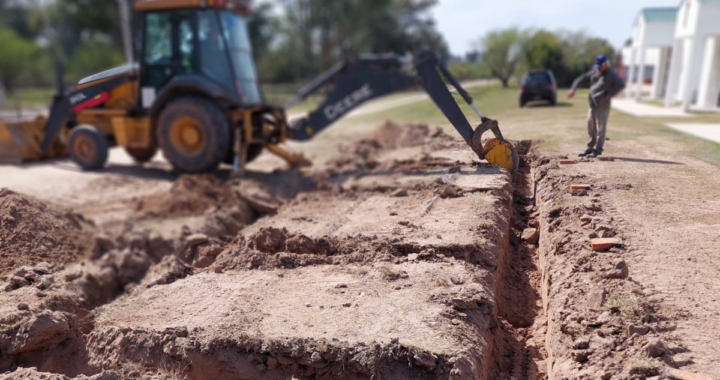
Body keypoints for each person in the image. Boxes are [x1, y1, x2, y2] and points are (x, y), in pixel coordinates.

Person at [567, 55, 625, 158]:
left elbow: (620, 85)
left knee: (600, 128)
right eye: (597, 66)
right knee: (590, 126)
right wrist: (573, 89)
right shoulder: (595, 72)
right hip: (592, 104)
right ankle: (590, 148)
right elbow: (581, 79)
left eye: (600, 66)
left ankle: (597, 150)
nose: (598, 68)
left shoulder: (611, 75)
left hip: (602, 104)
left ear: (606, 64)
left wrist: (610, 93)